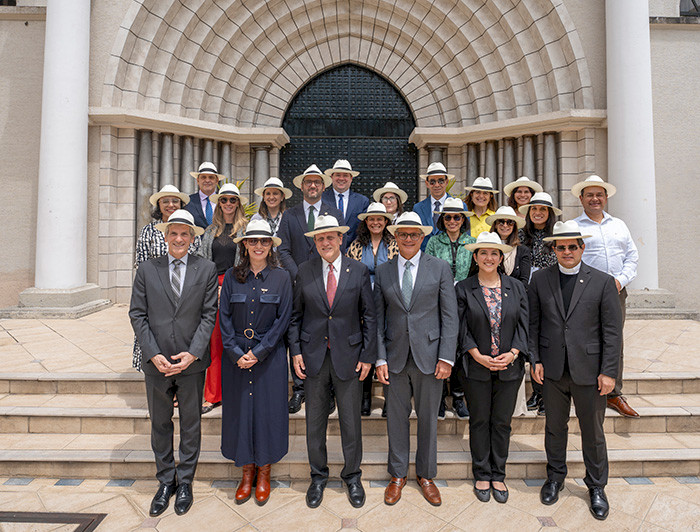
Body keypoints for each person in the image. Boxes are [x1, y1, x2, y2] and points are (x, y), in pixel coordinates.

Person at [529, 220, 622, 521]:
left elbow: (612, 332)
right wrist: (535, 360)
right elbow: (533, 324)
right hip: (553, 370)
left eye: (572, 246)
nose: (567, 251)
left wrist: (609, 372)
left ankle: (596, 486)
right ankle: (555, 477)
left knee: (593, 432)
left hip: (590, 371)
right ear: (553, 249)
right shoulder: (540, 280)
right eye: (561, 246)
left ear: (582, 248)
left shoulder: (603, 282)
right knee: (555, 428)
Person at [129, 209, 217, 517]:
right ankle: (166, 481)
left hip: (192, 363)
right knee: (160, 424)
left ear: (193, 239)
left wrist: (193, 353)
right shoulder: (147, 269)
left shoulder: (205, 269)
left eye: (185, 234)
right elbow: (137, 314)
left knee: (191, 425)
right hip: (157, 363)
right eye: (173, 233)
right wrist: (153, 353)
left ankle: (186, 482)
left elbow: (209, 315)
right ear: (165, 237)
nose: (179, 239)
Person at [288, 215, 377, 509]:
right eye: (320, 238)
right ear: (315, 243)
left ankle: (352, 476)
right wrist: (297, 352)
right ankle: (318, 476)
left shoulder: (359, 271)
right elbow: (295, 316)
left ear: (341, 239)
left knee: (351, 422)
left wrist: (367, 356)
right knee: (315, 422)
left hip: (349, 358)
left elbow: (369, 316)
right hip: (314, 357)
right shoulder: (305, 270)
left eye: (330, 237)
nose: (325, 242)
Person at [374, 212, 458, 507]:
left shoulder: (440, 268)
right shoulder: (383, 271)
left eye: (414, 234)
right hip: (395, 358)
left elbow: (450, 316)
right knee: (396, 421)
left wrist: (447, 356)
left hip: (430, 357)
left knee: (428, 421)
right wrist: (379, 358)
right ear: (395, 237)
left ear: (422, 237)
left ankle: (426, 475)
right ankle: (397, 475)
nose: (408, 239)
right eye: (403, 234)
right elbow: (377, 318)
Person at [218, 219, 292, 506]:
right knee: (241, 413)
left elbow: (282, 320)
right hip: (236, 358)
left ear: (271, 245)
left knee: (266, 414)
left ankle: (264, 473)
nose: (258, 246)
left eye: (264, 241)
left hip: (268, 358)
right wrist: (236, 353)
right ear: (244, 245)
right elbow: (223, 318)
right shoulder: (231, 276)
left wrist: (259, 352)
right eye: (253, 241)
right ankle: (246, 472)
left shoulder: (282, 278)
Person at [456, 231, 528, 504]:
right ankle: (482, 473)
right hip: (476, 367)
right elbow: (461, 328)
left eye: (494, 253)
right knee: (480, 420)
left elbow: (524, 324)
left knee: (501, 422)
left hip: (509, 367)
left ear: (501, 257)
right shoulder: (463, 288)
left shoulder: (516, 287)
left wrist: (512, 353)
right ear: (475, 256)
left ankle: (498, 472)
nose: (489, 257)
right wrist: (476, 354)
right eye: (483, 252)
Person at [277, 164, 344, 414]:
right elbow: (282, 249)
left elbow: (339, 247)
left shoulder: (334, 212)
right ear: (301, 186)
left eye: (317, 182)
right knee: (300, 334)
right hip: (298, 286)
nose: (312, 186)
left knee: (325, 333)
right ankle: (300, 390)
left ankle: (328, 391)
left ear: (323, 186)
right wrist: (299, 275)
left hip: (327, 284)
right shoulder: (290, 215)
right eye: (308, 182)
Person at [573, 175, 639, 418]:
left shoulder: (619, 225)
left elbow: (632, 257)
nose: (594, 199)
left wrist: (620, 280)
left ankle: (613, 392)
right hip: (585, 293)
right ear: (581, 199)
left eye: (599, 194)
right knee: (586, 340)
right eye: (589, 195)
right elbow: (571, 259)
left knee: (614, 340)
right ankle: (587, 387)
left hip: (616, 291)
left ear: (606, 198)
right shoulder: (575, 226)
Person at [133, 185, 200, 372]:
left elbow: (198, 263)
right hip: (156, 294)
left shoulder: (192, 231)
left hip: (185, 295)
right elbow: (141, 263)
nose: (171, 205)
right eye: (166, 201)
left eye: (175, 201)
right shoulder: (148, 231)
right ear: (159, 205)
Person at [197, 183, 248, 415]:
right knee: (216, 342)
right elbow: (201, 262)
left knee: (238, 341)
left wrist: (231, 285)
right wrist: (210, 288)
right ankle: (213, 395)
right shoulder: (210, 231)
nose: (228, 204)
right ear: (218, 203)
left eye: (233, 200)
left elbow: (252, 261)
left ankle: (238, 392)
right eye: (224, 200)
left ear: (238, 203)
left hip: (239, 287)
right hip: (212, 289)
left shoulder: (246, 230)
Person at [424, 197, 475, 420]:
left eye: (457, 217)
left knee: (460, 348)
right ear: (442, 220)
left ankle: (457, 396)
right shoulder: (434, 243)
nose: (452, 220)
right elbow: (430, 270)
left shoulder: (471, 242)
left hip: (465, 302)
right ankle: (439, 400)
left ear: (463, 219)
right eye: (448, 217)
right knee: (440, 347)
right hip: (439, 301)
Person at [346, 202, 398, 416]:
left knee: (389, 346)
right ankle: (365, 398)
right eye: (371, 219)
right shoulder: (356, 245)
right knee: (367, 345)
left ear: (386, 221)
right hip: (363, 303)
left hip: (389, 303)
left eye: (380, 218)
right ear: (366, 222)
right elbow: (350, 274)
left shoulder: (394, 244)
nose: (375, 222)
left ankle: (389, 399)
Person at [517, 191, 562, 416]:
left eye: (542, 209)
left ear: (549, 213)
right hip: (526, 293)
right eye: (534, 209)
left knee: (547, 343)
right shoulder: (521, 235)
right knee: (531, 342)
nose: (537, 213)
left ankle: (548, 395)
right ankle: (536, 391)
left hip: (550, 293)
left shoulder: (556, 236)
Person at [413, 162, 468, 250]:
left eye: (441, 181)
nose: (437, 185)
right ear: (427, 183)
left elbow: (466, 236)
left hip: (452, 257)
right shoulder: (418, 208)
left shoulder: (461, 206)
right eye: (432, 182)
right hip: (424, 258)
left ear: (446, 182)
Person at [323, 159, 370, 244]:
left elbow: (365, 230)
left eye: (345, 175)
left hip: (354, 252)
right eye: (338, 175)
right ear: (331, 177)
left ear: (351, 178)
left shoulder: (362, 202)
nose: (341, 178)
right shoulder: (322, 199)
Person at [486, 206, 531, 286]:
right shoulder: (485, 248)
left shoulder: (523, 251)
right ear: (495, 225)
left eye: (510, 222)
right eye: (501, 221)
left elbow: (524, 281)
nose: (505, 225)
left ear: (514, 226)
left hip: (515, 295)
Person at [185, 161, 226, 229]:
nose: (207, 180)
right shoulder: (188, 202)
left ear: (217, 181)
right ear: (198, 180)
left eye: (211, 177)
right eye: (203, 177)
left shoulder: (225, 201)